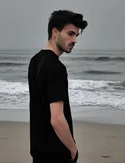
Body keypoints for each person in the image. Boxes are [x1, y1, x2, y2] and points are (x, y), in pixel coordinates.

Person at [27, 10, 88, 163]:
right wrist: (73, 148)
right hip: (57, 153)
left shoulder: (35, 61)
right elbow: (57, 119)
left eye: (76, 36)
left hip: (39, 151)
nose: (75, 40)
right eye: (70, 34)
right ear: (55, 31)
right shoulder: (56, 68)